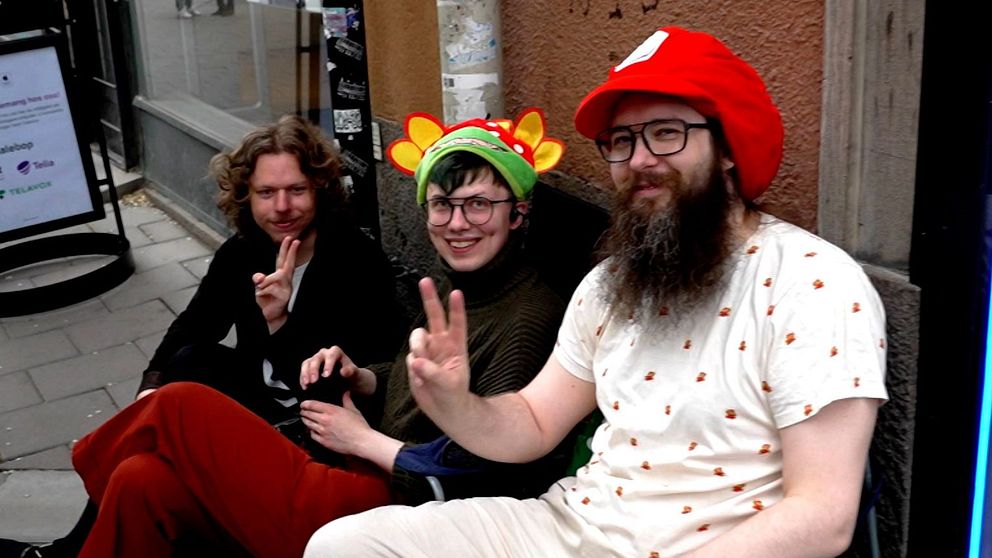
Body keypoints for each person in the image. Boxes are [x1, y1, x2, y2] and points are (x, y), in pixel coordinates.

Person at [304, 26, 889, 558]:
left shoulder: (813, 281)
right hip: (572, 528)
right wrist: (454, 402)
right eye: (621, 140)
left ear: (729, 148)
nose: (639, 159)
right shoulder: (610, 284)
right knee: (344, 544)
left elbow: (822, 517)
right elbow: (532, 424)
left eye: (666, 133)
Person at [0, 109, 569, 558]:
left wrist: (362, 438)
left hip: (387, 498)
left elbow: (485, 474)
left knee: (176, 407)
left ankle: (84, 480)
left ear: (518, 212)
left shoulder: (523, 315)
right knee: (140, 479)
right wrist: (365, 378)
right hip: (350, 454)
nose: (457, 223)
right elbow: (406, 381)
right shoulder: (454, 290)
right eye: (442, 205)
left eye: (478, 206)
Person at [136, 113, 405, 425]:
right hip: (257, 394)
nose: (281, 207)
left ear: (318, 189)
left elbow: (338, 381)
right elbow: (195, 324)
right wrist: (150, 387)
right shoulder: (242, 250)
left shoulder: (356, 260)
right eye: (266, 192)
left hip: (322, 414)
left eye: (296, 190)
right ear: (246, 196)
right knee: (189, 361)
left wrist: (279, 320)